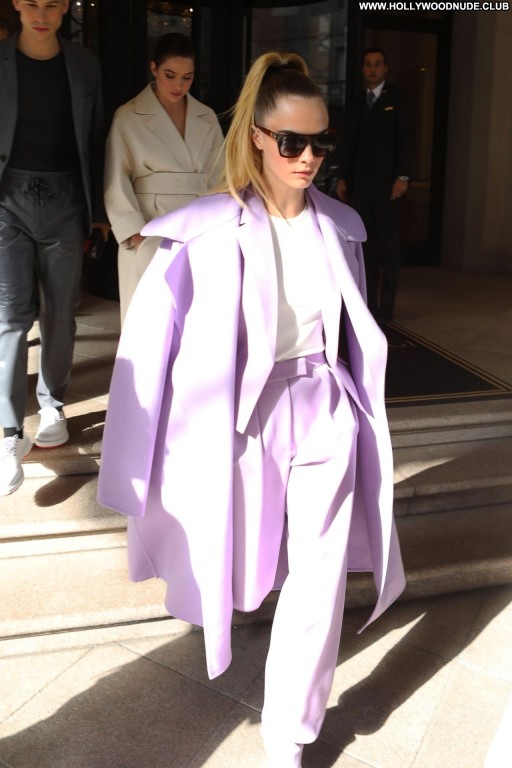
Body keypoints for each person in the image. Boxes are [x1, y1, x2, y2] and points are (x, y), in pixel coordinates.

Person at [98, 51, 405, 768]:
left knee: (320, 575)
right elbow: (148, 346)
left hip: (325, 407)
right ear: (259, 138)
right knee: (242, 564)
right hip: (242, 418)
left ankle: (289, 732)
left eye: (321, 143)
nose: (308, 158)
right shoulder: (204, 230)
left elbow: (349, 330)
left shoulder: (343, 226)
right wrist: (135, 458)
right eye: (292, 142)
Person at [0, 0, 107, 497]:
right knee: (10, 316)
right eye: (31, 2)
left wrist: (99, 209)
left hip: (66, 198)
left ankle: (52, 405)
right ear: (17, 4)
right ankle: (8, 433)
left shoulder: (84, 63)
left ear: (64, 6)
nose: (40, 13)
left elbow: (96, 136)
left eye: (51, 3)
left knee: (61, 312)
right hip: (8, 200)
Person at [104, 32, 224, 325]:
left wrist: (221, 227)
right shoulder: (128, 116)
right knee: (148, 322)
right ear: (154, 68)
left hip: (199, 228)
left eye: (187, 77)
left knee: (195, 321)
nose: (178, 85)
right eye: (170, 75)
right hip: (150, 228)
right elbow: (116, 178)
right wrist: (134, 233)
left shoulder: (206, 116)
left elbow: (221, 176)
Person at [336, 47, 413, 322]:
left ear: (386, 68)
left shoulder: (398, 98)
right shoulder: (357, 100)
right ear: (362, 68)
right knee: (364, 245)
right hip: (361, 185)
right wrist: (343, 176)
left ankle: (387, 308)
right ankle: (367, 304)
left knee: (389, 247)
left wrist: (403, 176)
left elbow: (406, 139)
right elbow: (349, 142)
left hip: (388, 185)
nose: (372, 69)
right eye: (368, 64)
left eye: (377, 64)